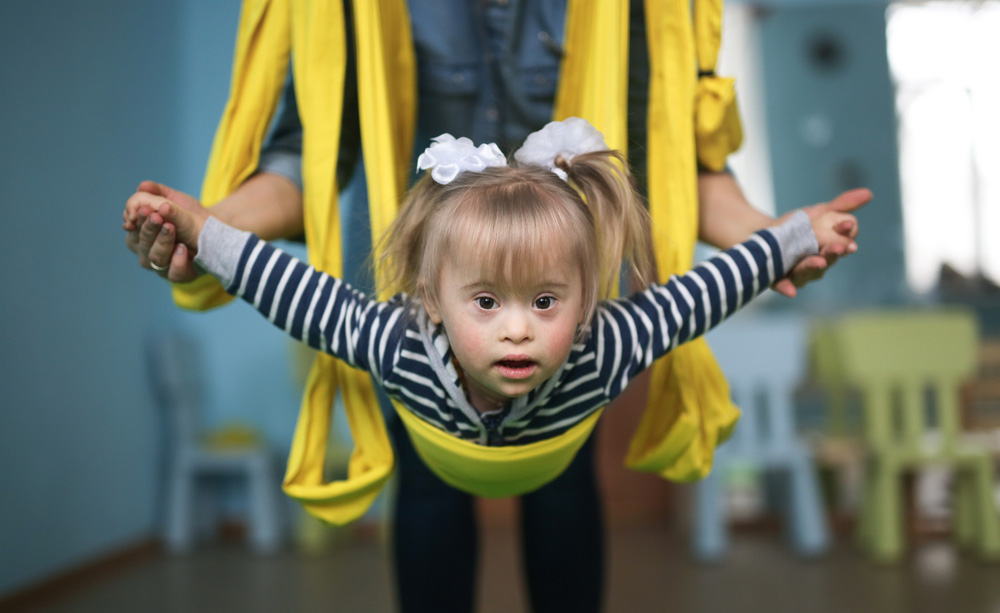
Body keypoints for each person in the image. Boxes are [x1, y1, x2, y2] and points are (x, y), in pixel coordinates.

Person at [125, 119, 863, 611]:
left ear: (589, 298)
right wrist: (204, 229)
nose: (517, 331)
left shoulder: (604, 342)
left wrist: (800, 233)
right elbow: (291, 290)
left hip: (554, 459)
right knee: (427, 519)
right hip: (436, 456)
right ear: (431, 299)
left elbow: (711, 287)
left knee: (568, 516)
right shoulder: (399, 340)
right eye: (485, 302)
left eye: (546, 300)